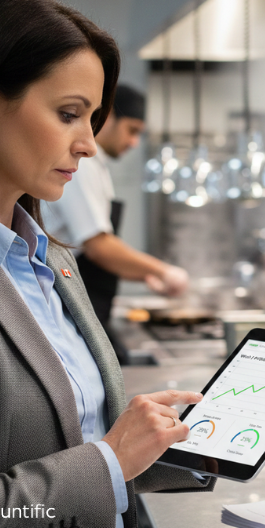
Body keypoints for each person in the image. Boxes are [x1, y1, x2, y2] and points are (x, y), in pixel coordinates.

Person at [0, 0, 214, 528]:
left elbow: (69, 443)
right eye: (68, 115)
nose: (87, 144)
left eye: (93, 118)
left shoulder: (51, 260)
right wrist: (111, 459)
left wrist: (184, 446)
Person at [43, 84, 188, 363]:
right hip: (64, 300)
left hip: (82, 295)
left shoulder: (97, 168)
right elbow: (98, 246)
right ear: (108, 118)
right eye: (132, 130)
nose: (134, 142)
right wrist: (165, 271)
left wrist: (148, 276)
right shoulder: (79, 167)